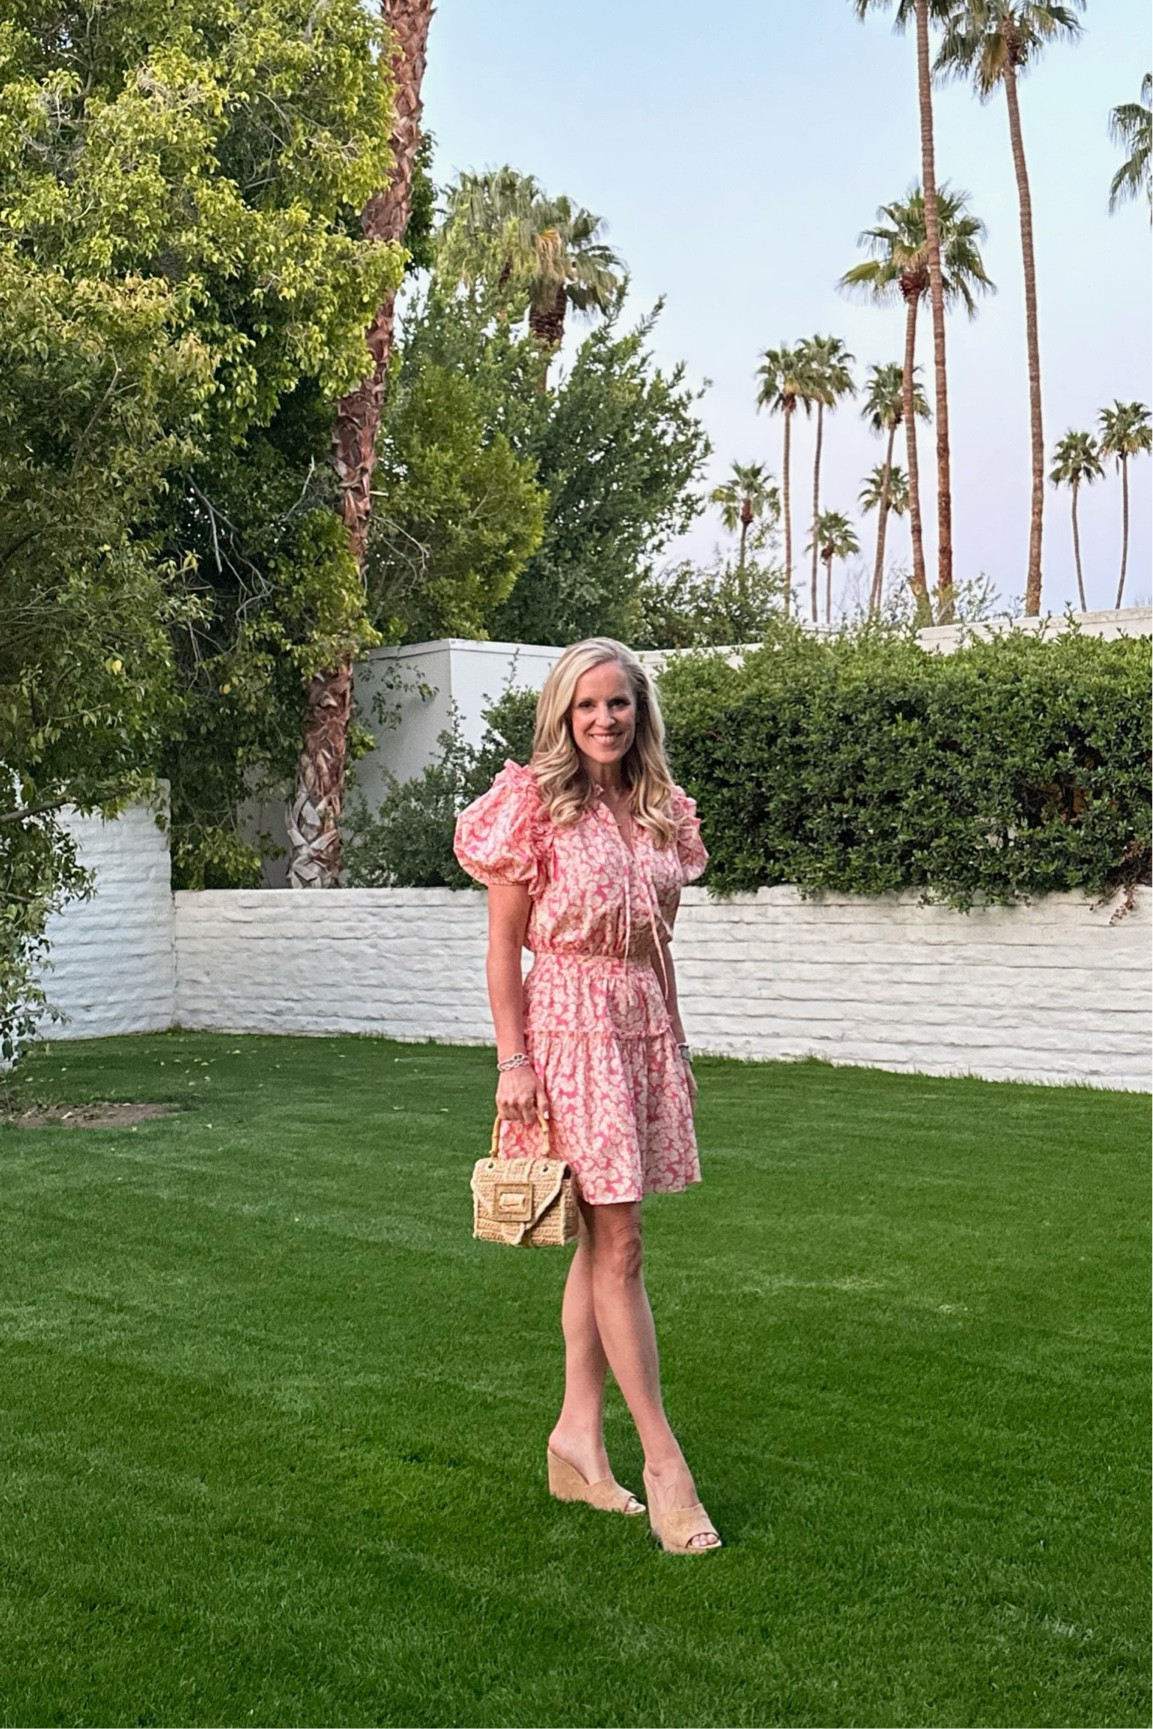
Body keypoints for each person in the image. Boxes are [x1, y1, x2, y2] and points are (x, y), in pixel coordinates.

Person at [453, 637, 721, 1555]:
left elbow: (659, 944)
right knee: (622, 1239)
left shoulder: (660, 811)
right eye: (587, 705)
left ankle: (575, 1437)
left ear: (640, 712)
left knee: (605, 1239)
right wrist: (511, 1060)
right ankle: (664, 1462)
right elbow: (503, 947)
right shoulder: (530, 804)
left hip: (639, 1026)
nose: (604, 719)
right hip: (567, 1027)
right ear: (563, 716)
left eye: (618, 703)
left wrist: (675, 1041)